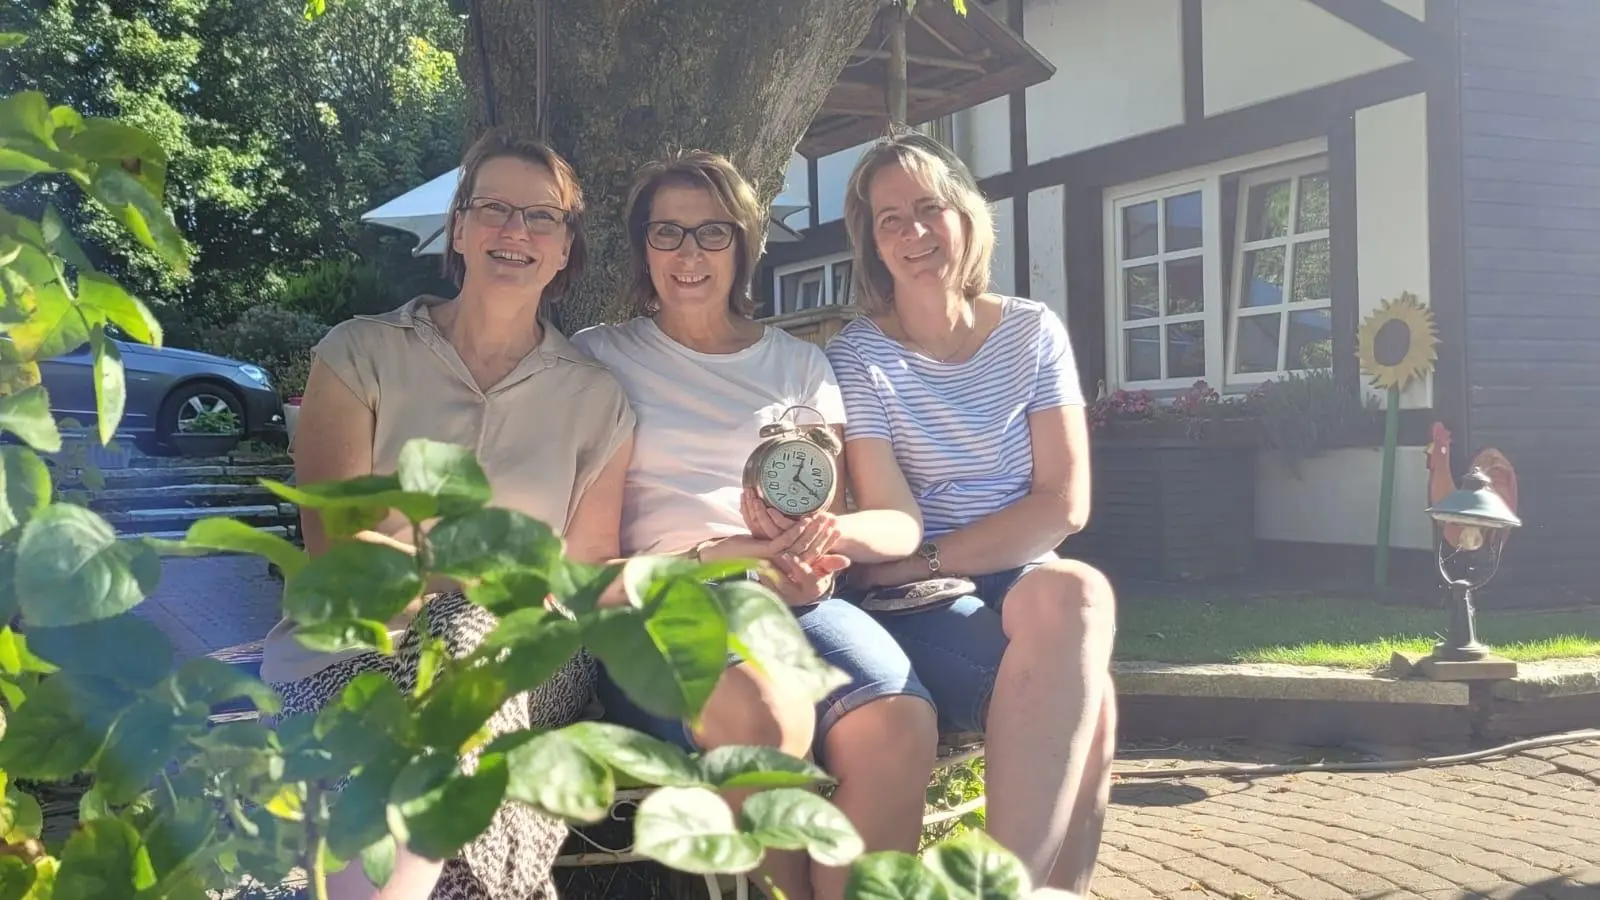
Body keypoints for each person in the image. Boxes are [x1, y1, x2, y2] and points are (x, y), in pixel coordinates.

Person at [258, 129, 635, 900]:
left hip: (527, 665)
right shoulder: (358, 354)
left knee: (466, 632)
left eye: (542, 217)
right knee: (415, 726)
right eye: (493, 207)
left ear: (565, 251)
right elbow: (342, 560)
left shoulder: (597, 399)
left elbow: (586, 572)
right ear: (458, 229)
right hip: (345, 657)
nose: (515, 231)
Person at [571, 150, 939, 900]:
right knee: (771, 718)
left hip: (796, 603)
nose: (689, 254)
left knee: (900, 722)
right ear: (643, 246)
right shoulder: (599, 357)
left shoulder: (800, 364)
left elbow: (852, 510)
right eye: (667, 233)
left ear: (742, 242)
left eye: (711, 233)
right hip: (667, 604)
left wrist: (821, 546)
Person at [822, 130, 1118, 896]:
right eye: (890, 219)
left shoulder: (1031, 330)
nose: (913, 233)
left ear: (965, 216)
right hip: (915, 605)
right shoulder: (860, 356)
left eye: (929, 208)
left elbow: (1063, 503)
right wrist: (928, 566)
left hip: (982, 576)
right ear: (873, 244)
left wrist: (930, 555)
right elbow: (888, 506)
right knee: (1094, 701)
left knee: (1077, 593)